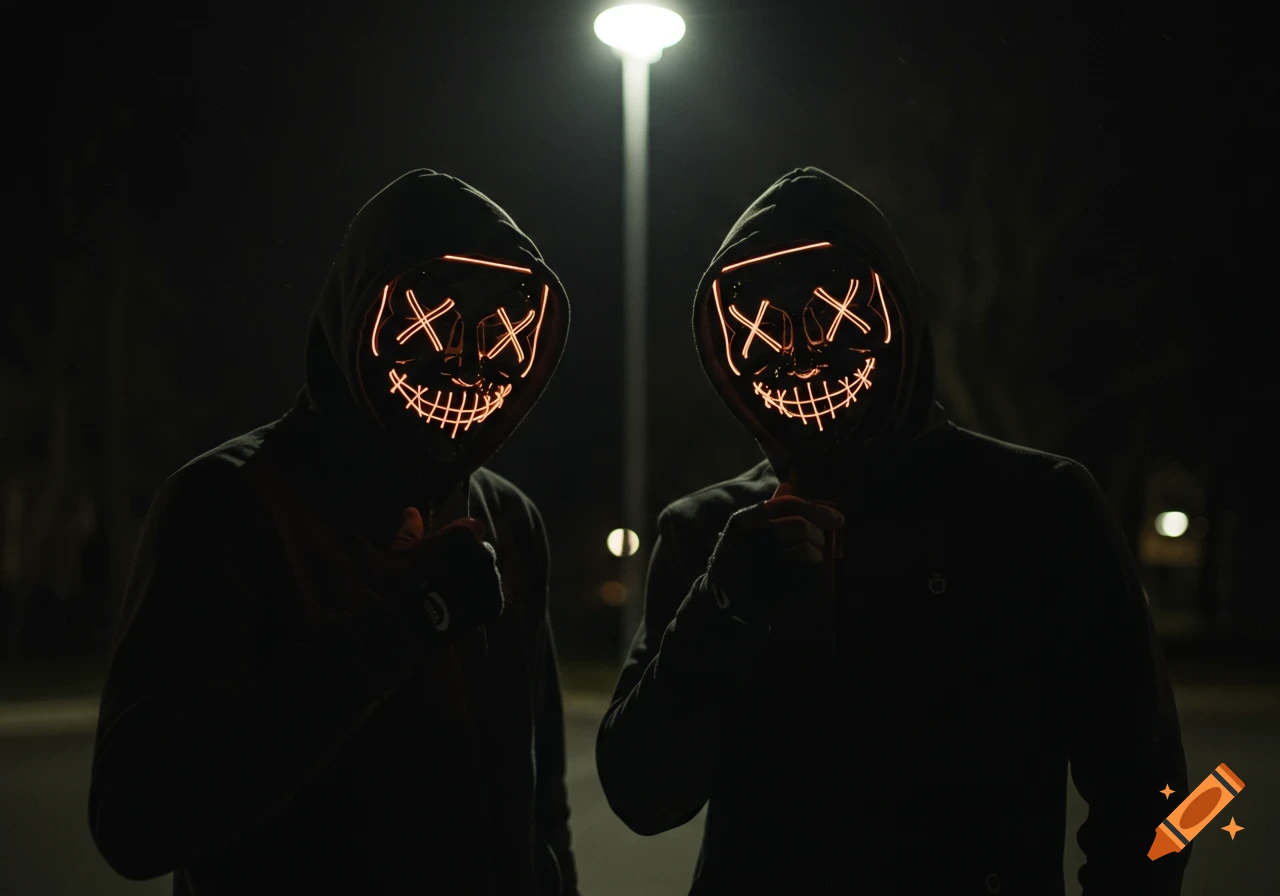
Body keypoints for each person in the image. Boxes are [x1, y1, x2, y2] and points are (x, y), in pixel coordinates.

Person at [596, 167, 1189, 894]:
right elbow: (642, 797)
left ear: (895, 314)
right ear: (724, 352)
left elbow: (1154, 786)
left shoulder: (1040, 508)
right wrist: (722, 608)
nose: (802, 352)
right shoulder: (708, 532)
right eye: (763, 326)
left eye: (833, 314)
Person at [89, 169, 579, 896]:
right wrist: (402, 624)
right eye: (432, 322)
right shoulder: (228, 503)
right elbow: (138, 819)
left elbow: (539, 803)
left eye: (505, 329)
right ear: (358, 315)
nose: (472, 361)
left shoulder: (511, 518)